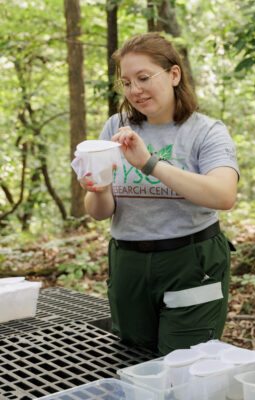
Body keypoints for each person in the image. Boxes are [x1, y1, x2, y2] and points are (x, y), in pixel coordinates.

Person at [79, 32, 239, 355]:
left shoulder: (206, 132)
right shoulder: (116, 127)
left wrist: (150, 163)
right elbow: (99, 211)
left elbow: (224, 195)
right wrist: (96, 189)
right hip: (128, 265)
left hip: (191, 264)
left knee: (183, 368)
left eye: (143, 78)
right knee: (134, 362)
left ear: (174, 74)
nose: (134, 90)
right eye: (126, 82)